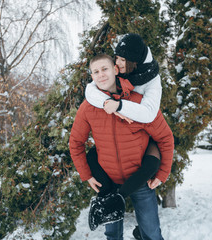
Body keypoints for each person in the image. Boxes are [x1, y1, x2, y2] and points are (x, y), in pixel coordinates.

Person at [69, 54, 174, 240]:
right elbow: (76, 143)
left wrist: (162, 173)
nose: (101, 75)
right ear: (92, 76)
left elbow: (165, 137)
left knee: (151, 233)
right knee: (113, 235)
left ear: (115, 70)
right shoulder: (88, 108)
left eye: (104, 69)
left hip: (141, 180)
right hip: (108, 182)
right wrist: (87, 175)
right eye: (95, 71)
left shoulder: (138, 102)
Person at [85, 33, 163, 238]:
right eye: (115, 58)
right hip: (113, 164)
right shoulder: (116, 75)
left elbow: (152, 119)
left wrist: (120, 106)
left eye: (120, 60)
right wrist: (105, 103)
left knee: (152, 232)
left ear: (133, 63)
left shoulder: (152, 82)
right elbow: (91, 88)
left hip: (144, 151)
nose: (116, 64)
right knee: (93, 155)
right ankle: (113, 200)